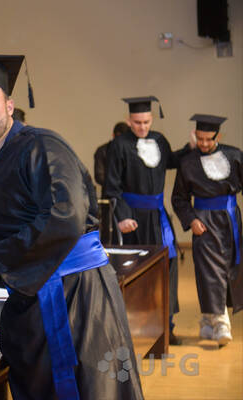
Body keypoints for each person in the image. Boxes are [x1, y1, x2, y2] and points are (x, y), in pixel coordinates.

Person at [0, 54, 143, 400]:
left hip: (74, 299)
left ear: (9, 104)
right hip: (30, 302)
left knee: (88, 389)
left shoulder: (42, 146)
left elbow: (66, 217)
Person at [103, 96, 192, 346]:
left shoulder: (160, 140)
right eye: (137, 122)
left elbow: (172, 161)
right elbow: (112, 187)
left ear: (151, 119)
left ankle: (167, 328)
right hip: (132, 218)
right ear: (129, 120)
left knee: (168, 268)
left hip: (158, 216)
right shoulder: (119, 145)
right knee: (137, 271)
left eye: (146, 122)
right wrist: (122, 217)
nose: (142, 127)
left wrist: (190, 147)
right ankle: (135, 329)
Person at [171, 114, 243, 346]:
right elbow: (179, 198)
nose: (203, 143)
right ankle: (221, 322)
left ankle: (208, 321)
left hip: (230, 219)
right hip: (203, 221)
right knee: (209, 271)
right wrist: (191, 220)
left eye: (208, 139)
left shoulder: (234, 155)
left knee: (229, 268)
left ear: (218, 136)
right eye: (199, 138)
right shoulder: (187, 163)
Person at [93, 121, 130, 191]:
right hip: (110, 193)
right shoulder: (102, 151)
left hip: (130, 194)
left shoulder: (133, 151)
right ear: (113, 135)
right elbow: (99, 176)